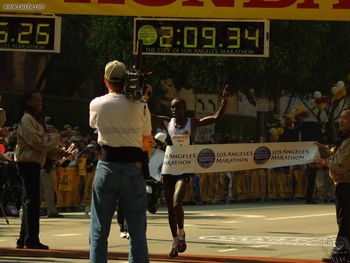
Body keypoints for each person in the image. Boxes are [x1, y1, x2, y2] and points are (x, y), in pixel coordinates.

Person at [153, 85, 229, 257]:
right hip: (169, 167)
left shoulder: (191, 123)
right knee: (170, 209)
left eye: (177, 107)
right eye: (172, 107)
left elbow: (216, 117)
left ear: (184, 109)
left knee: (176, 203)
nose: (173, 110)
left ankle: (181, 232)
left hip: (185, 167)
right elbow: (146, 116)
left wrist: (224, 101)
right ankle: (174, 242)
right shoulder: (167, 122)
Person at [89, 60, 151, 263]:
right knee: (137, 230)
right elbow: (146, 137)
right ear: (127, 80)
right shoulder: (141, 106)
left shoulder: (97, 103)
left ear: (105, 80)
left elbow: (93, 124)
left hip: (107, 167)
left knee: (99, 229)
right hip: (133, 169)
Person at [14, 91, 60, 249]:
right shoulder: (27, 119)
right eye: (36, 100)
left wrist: (57, 151)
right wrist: (55, 137)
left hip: (32, 163)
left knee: (30, 201)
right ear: (28, 102)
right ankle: (31, 239)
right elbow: (39, 142)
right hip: (27, 164)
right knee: (32, 202)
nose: (40, 103)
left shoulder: (33, 119)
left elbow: (40, 145)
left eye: (41, 99)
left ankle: (24, 238)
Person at [315, 107, 350, 263]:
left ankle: (340, 255)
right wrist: (322, 149)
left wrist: (323, 162)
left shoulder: (349, 141)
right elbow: (335, 155)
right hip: (344, 185)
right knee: (346, 221)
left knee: (344, 222)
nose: (340, 121)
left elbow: (340, 165)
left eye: (345, 118)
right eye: (340, 117)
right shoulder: (345, 139)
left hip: (347, 185)